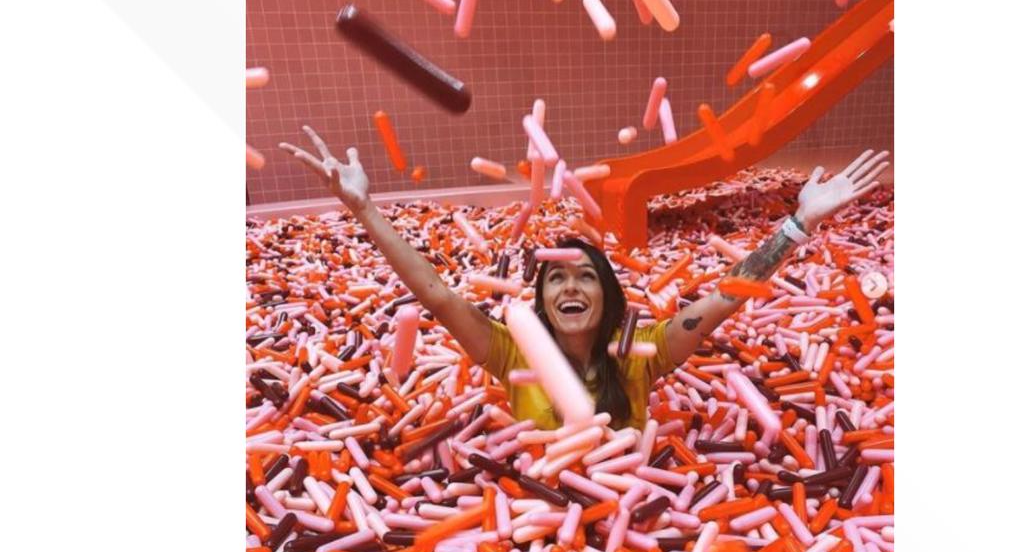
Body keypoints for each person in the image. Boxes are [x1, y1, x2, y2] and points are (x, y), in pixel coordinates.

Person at [280, 126, 889, 430]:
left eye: (586, 277)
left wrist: (797, 225)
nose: (570, 287)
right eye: (556, 279)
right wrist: (364, 209)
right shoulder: (511, 351)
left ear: (609, 295)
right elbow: (435, 294)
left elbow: (723, 297)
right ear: (540, 298)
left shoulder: (640, 353)